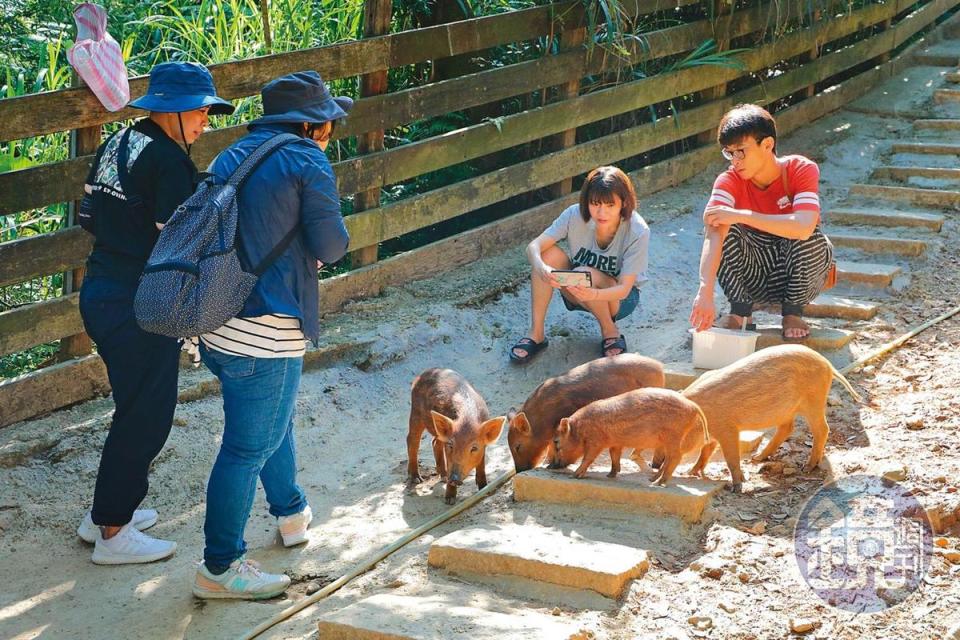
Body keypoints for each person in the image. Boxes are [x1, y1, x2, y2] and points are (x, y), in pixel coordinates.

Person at [191, 71, 351, 600]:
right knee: (245, 447)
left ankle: (289, 512)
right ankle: (220, 566)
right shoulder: (307, 159)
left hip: (217, 322)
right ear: (309, 125)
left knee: (269, 422)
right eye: (327, 122)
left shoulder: (230, 155)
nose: (330, 132)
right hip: (269, 329)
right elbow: (333, 244)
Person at [76, 62, 234, 564]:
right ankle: (114, 532)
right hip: (140, 303)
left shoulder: (119, 142)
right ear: (177, 110)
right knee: (147, 415)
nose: (207, 120)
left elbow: (88, 217)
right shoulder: (169, 161)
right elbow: (181, 237)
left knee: (131, 407)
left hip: (100, 289)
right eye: (203, 111)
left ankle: (103, 512)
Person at [689, 104, 834, 339]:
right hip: (754, 274)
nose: (735, 160)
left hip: (797, 273)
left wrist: (741, 215)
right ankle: (740, 312)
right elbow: (713, 233)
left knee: (808, 234)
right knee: (724, 227)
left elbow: (804, 226)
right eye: (729, 152)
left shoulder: (800, 168)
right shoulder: (728, 180)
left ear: (767, 145)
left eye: (741, 151)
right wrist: (704, 291)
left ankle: (793, 312)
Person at [509, 166, 650, 363]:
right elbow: (533, 246)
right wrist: (542, 267)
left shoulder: (637, 229)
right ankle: (537, 333)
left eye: (610, 205)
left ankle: (610, 331)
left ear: (624, 204)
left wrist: (594, 294)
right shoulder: (574, 215)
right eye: (595, 204)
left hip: (618, 300)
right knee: (546, 253)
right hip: (577, 288)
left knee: (584, 273)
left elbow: (625, 289)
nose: (601, 212)